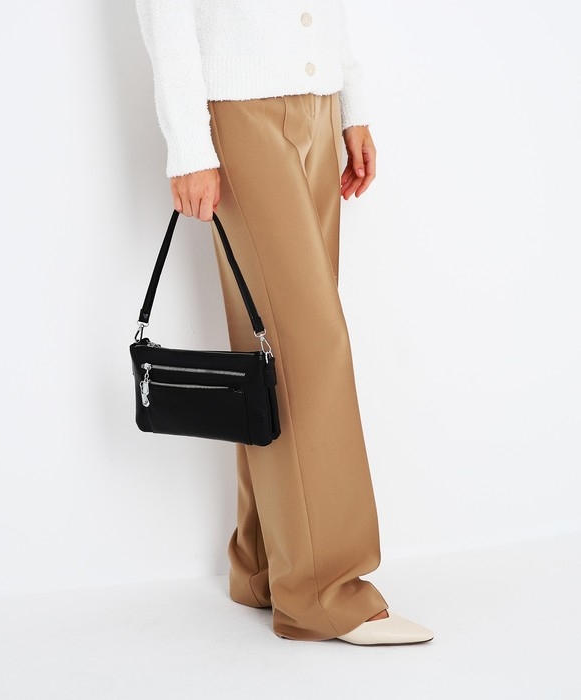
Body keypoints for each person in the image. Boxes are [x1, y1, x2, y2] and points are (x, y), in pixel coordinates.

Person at [135, 0, 434, 645]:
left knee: (274, 349)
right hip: (238, 109)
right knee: (309, 345)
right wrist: (188, 144)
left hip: (318, 100)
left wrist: (351, 105)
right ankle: (325, 594)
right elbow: (167, 13)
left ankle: (267, 564)